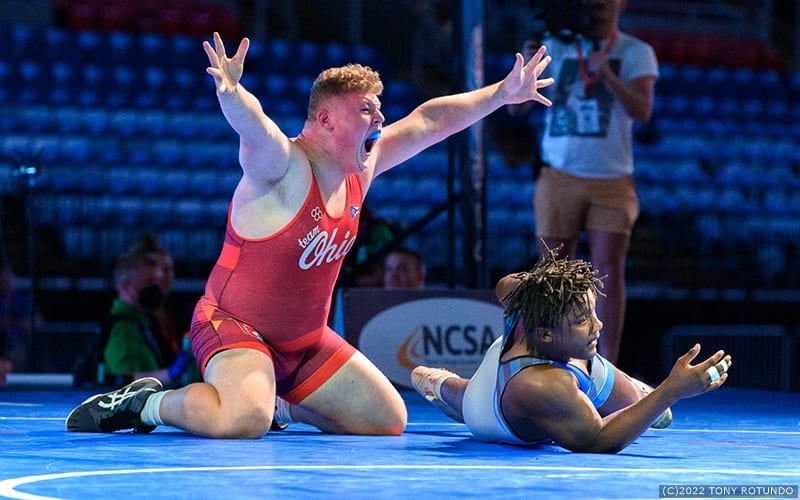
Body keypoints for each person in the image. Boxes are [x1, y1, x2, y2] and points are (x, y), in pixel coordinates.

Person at [66, 31, 554, 438]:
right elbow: (255, 130)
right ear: (326, 119)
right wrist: (232, 95)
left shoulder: (362, 168)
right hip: (235, 327)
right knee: (243, 420)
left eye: (379, 110)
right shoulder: (282, 166)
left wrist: (501, 94)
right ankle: (147, 404)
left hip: (304, 342)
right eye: (367, 110)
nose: (380, 119)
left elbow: (428, 120)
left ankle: (282, 404)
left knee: (387, 420)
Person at [411, 246, 732, 453]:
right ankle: (443, 386)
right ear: (545, 332)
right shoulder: (541, 384)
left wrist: (550, 284)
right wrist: (670, 390)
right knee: (461, 397)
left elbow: (506, 284)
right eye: (582, 320)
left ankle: (624, 393)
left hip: (572, 358)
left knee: (651, 412)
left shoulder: (525, 300)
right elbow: (598, 439)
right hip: (488, 406)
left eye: (592, 313)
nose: (598, 325)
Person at [508, 0, 658, 364]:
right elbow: (515, 109)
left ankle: (606, 364)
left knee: (609, 270)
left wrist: (606, 73)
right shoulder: (553, 46)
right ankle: (549, 358)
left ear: (621, 3)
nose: (596, 5)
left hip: (612, 178)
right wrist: (524, 75)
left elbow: (642, 111)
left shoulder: (636, 52)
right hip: (559, 174)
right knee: (551, 271)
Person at [99, 249, 193, 388]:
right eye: (148, 282)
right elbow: (123, 383)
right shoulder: (121, 329)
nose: (156, 288)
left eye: (156, 282)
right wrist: (170, 374)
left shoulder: (143, 322)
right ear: (126, 286)